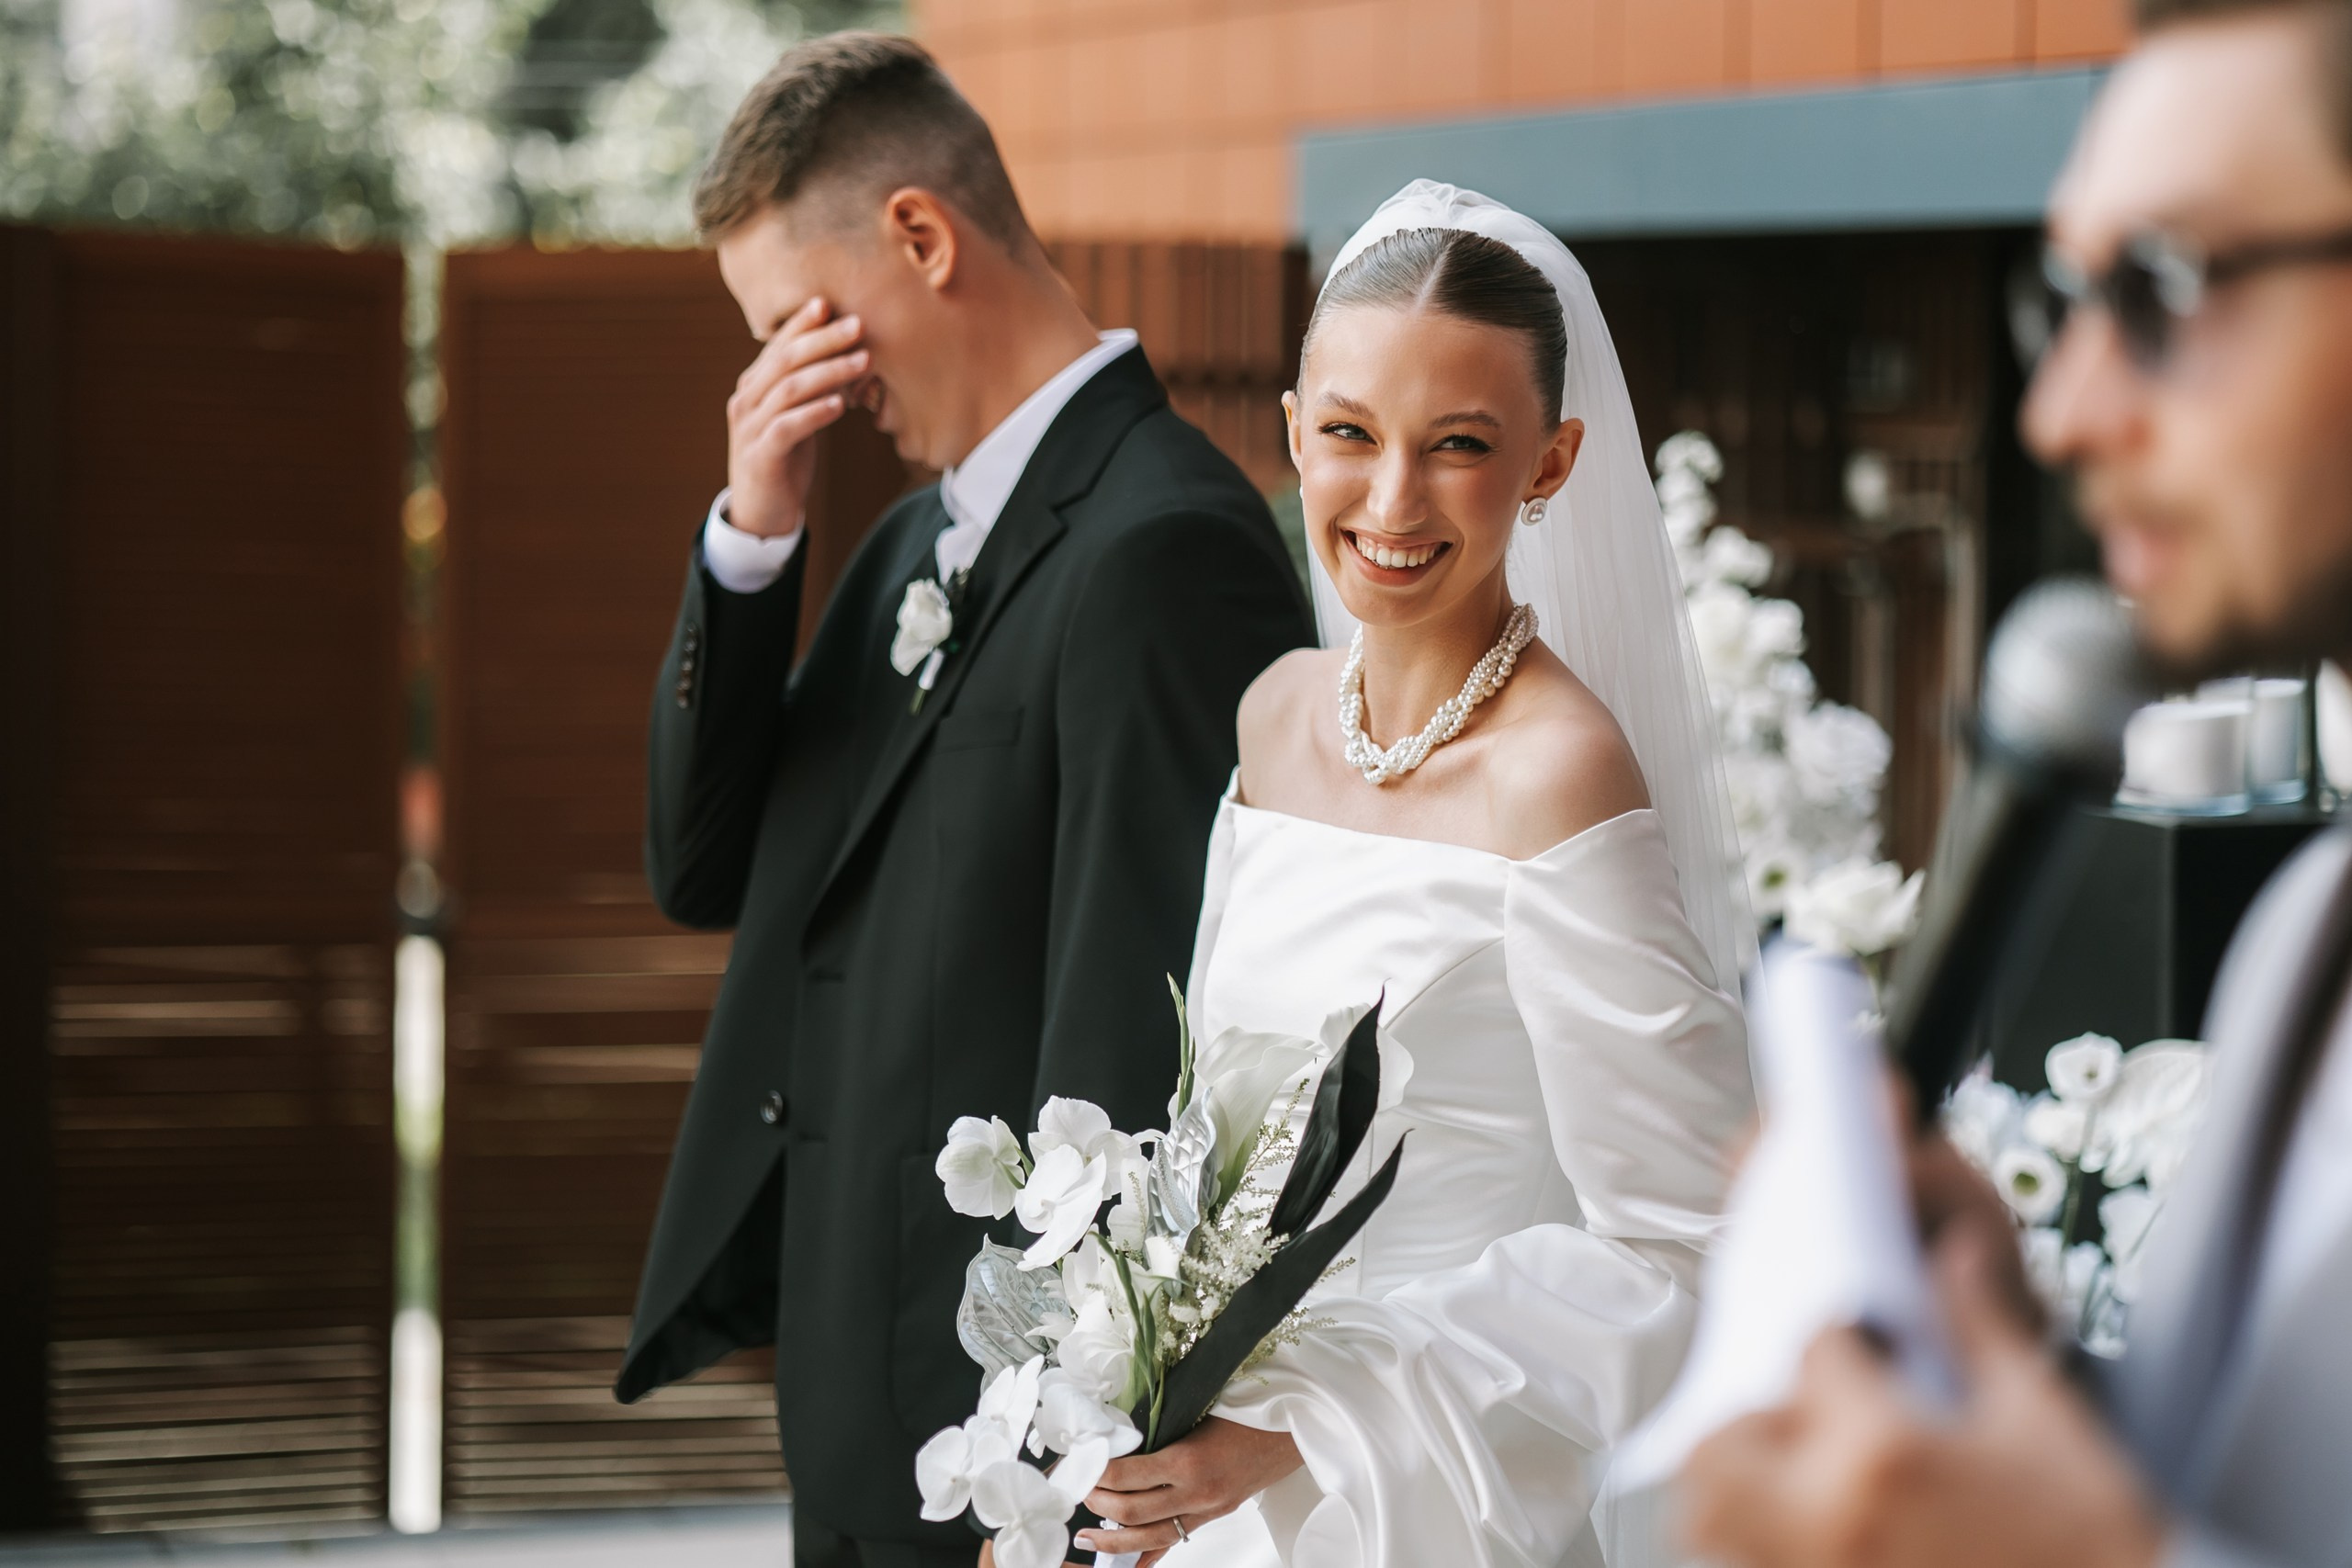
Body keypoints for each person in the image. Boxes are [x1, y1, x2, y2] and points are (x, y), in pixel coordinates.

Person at [610, 33, 1311, 1568]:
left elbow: (1150, 1049)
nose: (802, 380)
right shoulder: (902, 551)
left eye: (801, 323)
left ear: (922, 237)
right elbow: (704, 865)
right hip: (859, 1419)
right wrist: (752, 530)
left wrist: (1057, 1472)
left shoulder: (1165, 549)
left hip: (989, 1459)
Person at [1678, 3, 2352, 1566]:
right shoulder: (2309, 928)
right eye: (2065, 302)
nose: (2060, 414)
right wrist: (2020, 1382)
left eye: (2165, 289)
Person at [1069, 182, 1758, 1568]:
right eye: (1349, 435)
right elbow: (1216, 1139)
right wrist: (1083, 1470)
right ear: (1290, 433)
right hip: (1195, 1489)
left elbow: (1682, 1244)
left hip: (1423, 1501)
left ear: (1551, 464)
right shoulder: (1274, 714)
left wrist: (1313, 1428)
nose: (1391, 500)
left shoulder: (1555, 776)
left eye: (1459, 445)